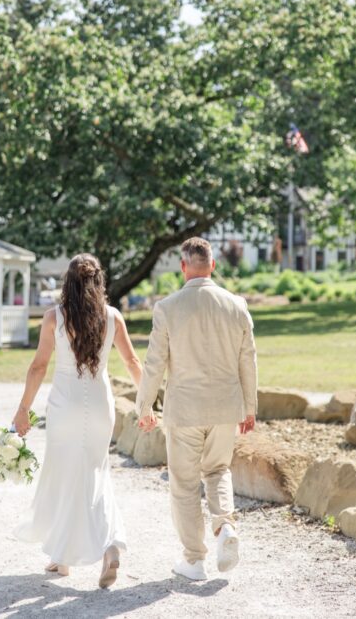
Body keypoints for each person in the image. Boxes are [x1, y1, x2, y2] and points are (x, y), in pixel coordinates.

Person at [13, 253, 143, 588]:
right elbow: (132, 362)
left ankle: (70, 555)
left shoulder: (54, 317)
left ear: (68, 283)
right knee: (96, 472)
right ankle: (96, 550)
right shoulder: (113, 316)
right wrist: (147, 406)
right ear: (99, 281)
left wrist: (23, 408)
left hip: (65, 407)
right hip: (100, 406)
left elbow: (38, 367)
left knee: (65, 475)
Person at [135, 236, 258, 581]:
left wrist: (145, 406)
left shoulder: (167, 307)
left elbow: (154, 363)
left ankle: (194, 559)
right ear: (213, 265)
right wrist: (250, 407)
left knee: (185, 484)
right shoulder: (236, 305)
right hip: (225, 407)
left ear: (183, 266)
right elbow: (248, 359)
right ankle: (225, 525)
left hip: (185, 409)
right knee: (218, 470)